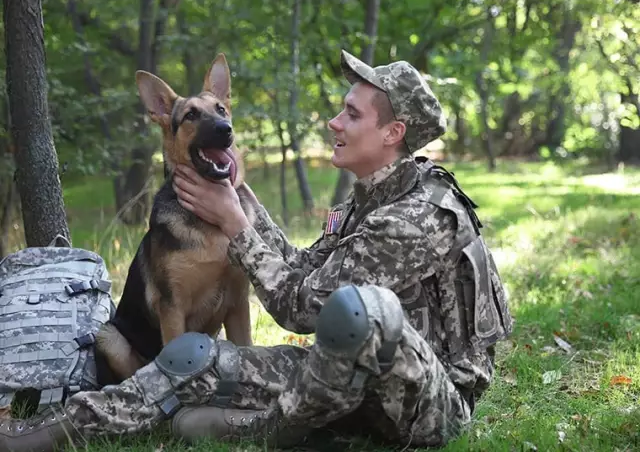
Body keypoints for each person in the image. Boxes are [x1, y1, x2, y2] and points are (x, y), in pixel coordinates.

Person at [0, 49, 512, 451]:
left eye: (351, 114)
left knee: (365, 310)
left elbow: (305, 308)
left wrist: (234, 220)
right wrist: (239, 194)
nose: (334, 122)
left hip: (428, 400)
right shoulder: (374, 199)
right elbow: (301, 266)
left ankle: (279, 427)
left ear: (392, 133)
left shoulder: (417, 217)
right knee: (195, 360)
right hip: (357, 376)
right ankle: (55, 431)